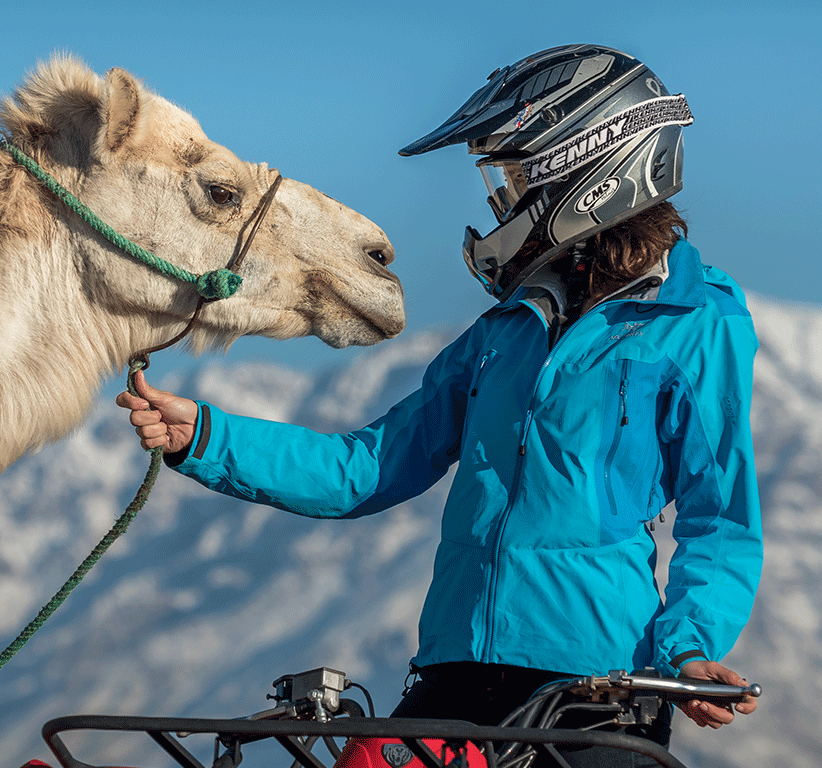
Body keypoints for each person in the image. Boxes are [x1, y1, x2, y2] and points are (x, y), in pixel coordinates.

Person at [117, 44, 762, 766]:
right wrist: (200, 436)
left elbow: (722, 520)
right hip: (455, 672)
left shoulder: (696, 323)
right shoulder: (504, 331)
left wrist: (690, 648)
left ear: (587, 168)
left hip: (597, 695)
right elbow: (366, 468)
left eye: (516, 175)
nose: (502, 199)